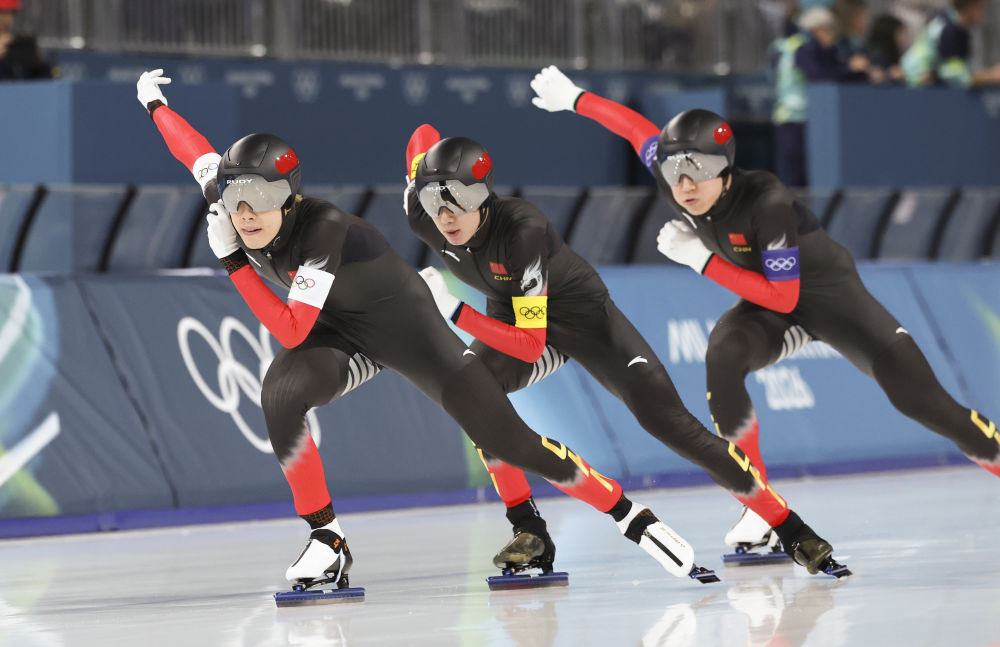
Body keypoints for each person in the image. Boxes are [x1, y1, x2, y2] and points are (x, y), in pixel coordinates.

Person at [134, 69, 718, 590]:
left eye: (260, 199)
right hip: (337, 329)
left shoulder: (322, 229)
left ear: (291, 199)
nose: (244, 214)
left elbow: (289, 329)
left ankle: (627, 515)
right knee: (280, 394)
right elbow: (197, 155)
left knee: (508, 439)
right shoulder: (231, 203)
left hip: (407, 329)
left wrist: (233, 263)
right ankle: (327, 538)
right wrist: (155, 106)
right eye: (235, 199)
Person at [529, 64, 1000, 554]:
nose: (684, 184)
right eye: (673, 171)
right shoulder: (674, 176)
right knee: (724, 354)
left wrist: (703, 260)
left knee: (926, 404)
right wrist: (577, 98)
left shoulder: (765, 200)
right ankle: (760, 507)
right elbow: (635, 129)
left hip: (832, 303)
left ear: (726, 169)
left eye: (698, 171)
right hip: (772, 306)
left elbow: (786, 297)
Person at [402, 127, 845, 577]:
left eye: (458, 198)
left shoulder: (522, 230)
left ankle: (791, 528)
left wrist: (456, 311)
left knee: (675, 427)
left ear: (484, 193)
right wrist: (424, 168)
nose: (445, 215)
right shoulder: (422, 215)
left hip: (589, 328)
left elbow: (531, 346)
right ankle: (528, 529)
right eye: (433, 200)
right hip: (517, 320)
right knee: (474, 396)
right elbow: (422, 138)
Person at [771, 7, 876, 187]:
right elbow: (817, 76)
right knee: (797, 175)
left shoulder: (823, 50)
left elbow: (836, 71)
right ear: (817, 29)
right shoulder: (801, 48)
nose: (832, 35)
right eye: (829, 30)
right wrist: (850, 68)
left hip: (809, 117)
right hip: (793, 118)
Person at [901, 0, 1000, 88]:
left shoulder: (959, 28)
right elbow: (956, 78)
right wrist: (991, 76)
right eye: (981, 7)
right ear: (970, 7)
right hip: (913, 86)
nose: (983, 13)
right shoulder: (948, 30)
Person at [0, 0, 52, 81]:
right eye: (2, 13)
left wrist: (37, 60)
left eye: (12, 13)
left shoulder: (18, 45)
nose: (7, 20)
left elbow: (46, 80)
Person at [866, 12, 907, 83]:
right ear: (890, 35)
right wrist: (889, 75)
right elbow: (877, 76)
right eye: (900, 34)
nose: (903, 38)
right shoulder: (877, 55)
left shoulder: (896, 53)